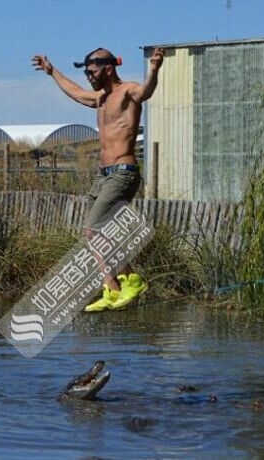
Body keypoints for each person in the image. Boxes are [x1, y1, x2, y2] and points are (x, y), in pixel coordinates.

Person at [32, 46, 164, 312]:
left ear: (108, 68)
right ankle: (122, 283)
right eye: (87, 73)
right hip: (103, 176)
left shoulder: (127, 91)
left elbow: (146, 92)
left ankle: (118, 286)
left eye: (92, 72)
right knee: (96, 234)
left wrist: (154, 69)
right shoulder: (100, 98)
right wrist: (51, 71)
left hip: (123, 173)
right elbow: (75, 93)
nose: (88, 77)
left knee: (93, 230)